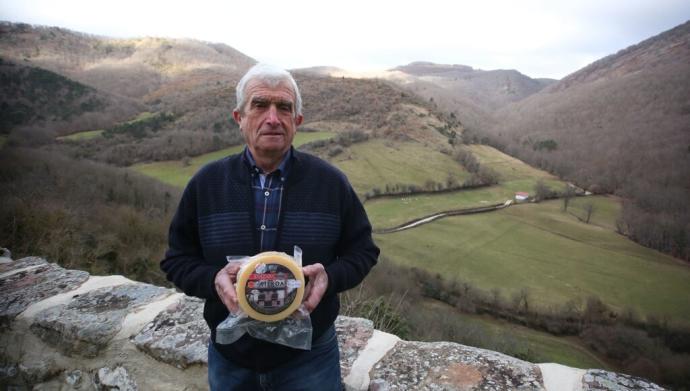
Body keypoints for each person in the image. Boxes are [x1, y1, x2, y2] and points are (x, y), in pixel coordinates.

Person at [161, 63, 379, 390]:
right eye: (260, 105)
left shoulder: (331, 183)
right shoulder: (206, 184)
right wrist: (212, 279)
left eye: (284, 108)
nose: (273, 118)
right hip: (231, 354)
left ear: (297, 121)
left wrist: (330, 278)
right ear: (240, 118)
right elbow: (177, 260)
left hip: (309, 355)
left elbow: (363, 251)